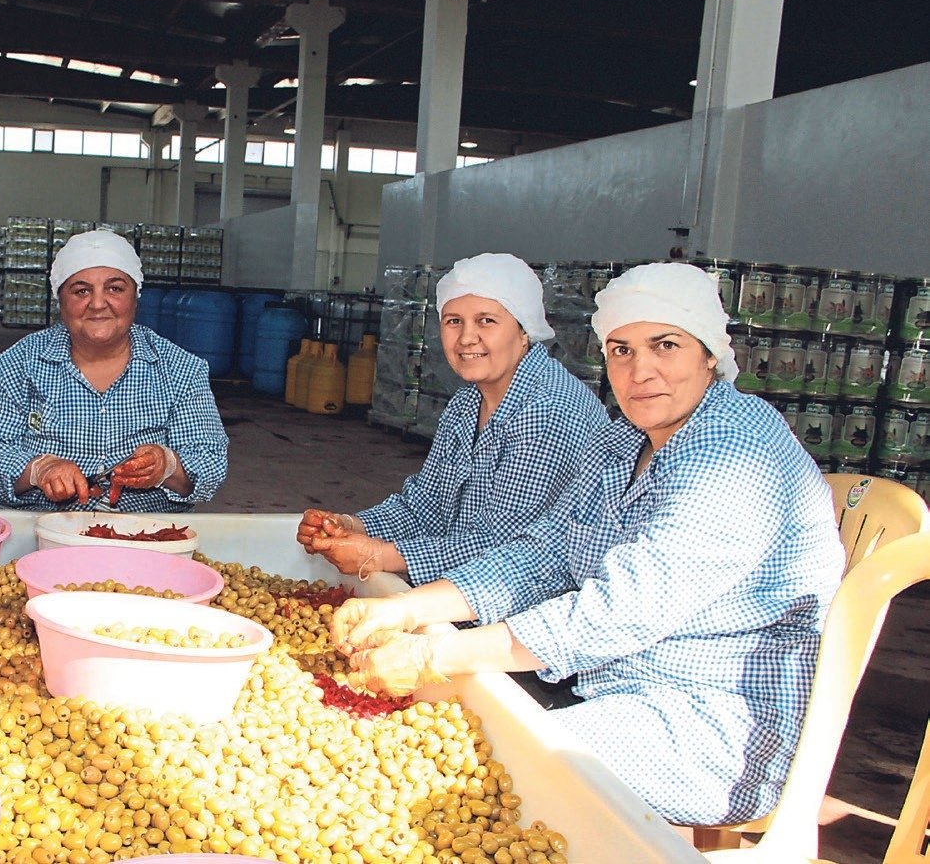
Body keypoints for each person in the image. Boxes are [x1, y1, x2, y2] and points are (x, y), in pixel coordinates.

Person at [330, 262, 844, 826]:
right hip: (614, 686)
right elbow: (546, 552)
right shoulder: (627, 438)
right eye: (621, 350)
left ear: (710, 356)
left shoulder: (734, 449)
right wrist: (408, 607)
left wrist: (435, 652)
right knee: (437, 732)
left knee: (492, 772)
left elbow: (620, 611)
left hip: (713, 724)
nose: (641, 371)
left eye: (664, 345)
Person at [297, 253, 607, 584]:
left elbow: (504, 546)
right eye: (453, 321)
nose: (466, 338)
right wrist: (351, 526)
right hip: (461, 598)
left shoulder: (549, 411)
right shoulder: (466, 403)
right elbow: (426, 504)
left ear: (524, 330)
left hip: (521, 617)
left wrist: (378, 555)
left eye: (487, 320)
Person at [0, 229, 229, 512]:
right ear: (60, 301)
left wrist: (168, 466)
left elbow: (211, 461)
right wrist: (39, 470)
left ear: (135, 297)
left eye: (115, 288)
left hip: (146, 534)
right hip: (40, 529)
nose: (98, 303)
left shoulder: (181, 369)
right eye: (81, 291)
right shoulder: (17, 365)